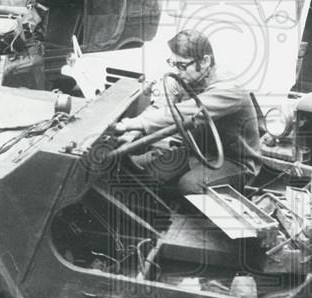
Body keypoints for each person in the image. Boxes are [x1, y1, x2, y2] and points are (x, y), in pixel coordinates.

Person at [112, 30, 261, 195]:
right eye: (174, 64)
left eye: (182, 65)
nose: (177, 71)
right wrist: (131, 133)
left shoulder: (230, 89)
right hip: (197, 153)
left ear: (205, 61)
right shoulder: (190, 77)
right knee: (147, 176)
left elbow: (183, 112)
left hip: (234, 162)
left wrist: (135, 123)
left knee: (189, 186)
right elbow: (160, 107)